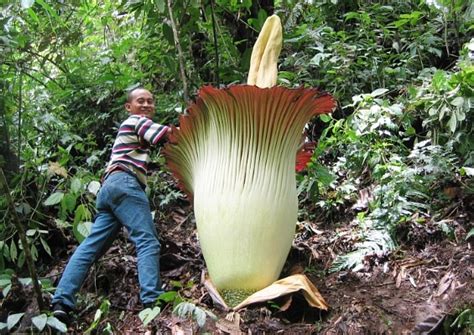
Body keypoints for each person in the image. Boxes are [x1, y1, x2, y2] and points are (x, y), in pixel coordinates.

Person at [52, 87, 172, 324]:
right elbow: (167, 135)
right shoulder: (136, 120)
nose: (147, 105)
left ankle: (61, 302)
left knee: (90, 247)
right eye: (141, 101)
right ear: (129, 107)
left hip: (108, 188)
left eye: (150, 101)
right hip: (126, 183)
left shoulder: (133, 126)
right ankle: (153, 299)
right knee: (147, 240)